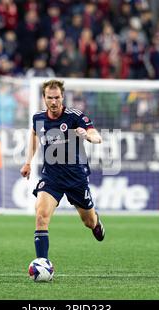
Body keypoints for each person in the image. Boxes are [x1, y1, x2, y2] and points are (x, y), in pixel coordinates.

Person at [20, 79, 105, 260]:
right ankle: (42, 263)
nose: (53, 102)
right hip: (52, 178)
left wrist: (89, 137)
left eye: (57, 97)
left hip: (76, 178)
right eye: (50, 98)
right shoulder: (38, 118)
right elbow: (34, 134)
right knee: (41, 215)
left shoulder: (74, 116)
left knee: (88, 222)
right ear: (44, 98)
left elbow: (95, 134)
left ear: (62, 97)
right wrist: (28, 162)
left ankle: (96, 222)